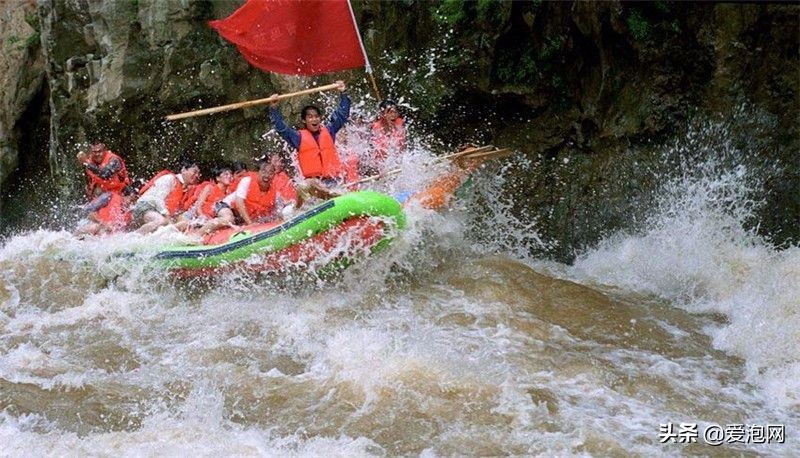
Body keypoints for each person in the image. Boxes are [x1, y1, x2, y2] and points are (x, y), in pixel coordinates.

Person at [269, 80, 350, 186]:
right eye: (310, 117)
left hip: (334, 180)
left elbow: (342, 115)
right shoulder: (298, 137)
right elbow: (282, 129)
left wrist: (343, 93)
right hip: (314, 184)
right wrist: (274, 109)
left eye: (316, 116)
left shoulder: (329, 131)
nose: (314, 119)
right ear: (304, 120)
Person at [74, 141, 133, 236]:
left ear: (105, 150)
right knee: (88, 222)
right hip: (103, 197)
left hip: (116, 195)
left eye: (100, 151)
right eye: (94, 152)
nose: (97, 154)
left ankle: (104, 226)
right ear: (91, 152)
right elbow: (91, 183)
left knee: (91, 213)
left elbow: (105, 174)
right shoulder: (90, 162)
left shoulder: (114, 160)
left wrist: (86, 163)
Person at [227, 154, 300, 226]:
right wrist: (250, 224)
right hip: (227, 208)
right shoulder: (247, 181)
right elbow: (239, 203)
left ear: (274, 176)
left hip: (247, 219)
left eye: (270, 173)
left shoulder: (274, 192)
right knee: (228, 218)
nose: (267, 176)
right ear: (258, 173)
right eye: (264, 172)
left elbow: (284, 206)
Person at [132, 161, 201, 234]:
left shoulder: (184, 189)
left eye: (198, 174)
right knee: (162, 221)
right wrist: (166, 215)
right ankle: (131, 238)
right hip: (145, 206)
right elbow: (157, 199)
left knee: (179, 226)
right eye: (194, 171)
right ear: (183, 170)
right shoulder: (170, 178)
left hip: (157, 212)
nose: (197, 175)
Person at [178, 166, 237, 234]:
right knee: (181, 226)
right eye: (226, 174)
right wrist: (204, 220)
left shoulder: (228, 195)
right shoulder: (209, 188)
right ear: (218, 178)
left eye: (231, 174)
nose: (230, 176)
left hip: (207, 220)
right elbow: (198, 207)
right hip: (193, 216)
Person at [369, 99, 406, 174]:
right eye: (390, 112)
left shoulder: (399, 123)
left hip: (396, 161)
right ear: (382, 114)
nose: (394, 115)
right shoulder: (376, 127)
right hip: (379, 164)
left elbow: (402, 147)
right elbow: (378, 151)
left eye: (395, 112)